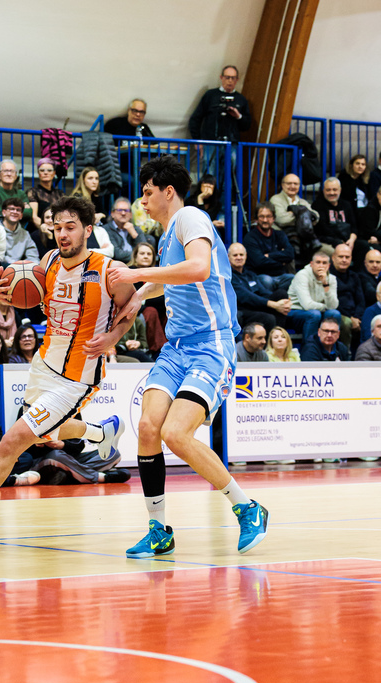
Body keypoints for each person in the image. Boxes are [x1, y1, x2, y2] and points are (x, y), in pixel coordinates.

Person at [0, 195, 136, 550]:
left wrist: (112, 337)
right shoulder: (47, 261)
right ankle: (101, 432)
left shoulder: (109, 269)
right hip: (44, 364)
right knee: (42, 437)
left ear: (88, 230)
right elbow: (24, 295)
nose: (62, 234)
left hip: (77, 375)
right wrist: (3, 295)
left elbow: (131, 307)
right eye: (57, 227)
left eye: (70, 227)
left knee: (11, 443)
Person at [107, 155, 269, 558]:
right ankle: (159, 530)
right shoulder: (166, 237)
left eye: (148, 192)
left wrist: (137, 274)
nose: (142, 200)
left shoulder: (190, 217)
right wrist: (136, 300)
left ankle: (247, 507)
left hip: (210, 346)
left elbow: (197, 268)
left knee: (176, 434)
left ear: (169, 191)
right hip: (176, 349)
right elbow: (172, 281)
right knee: (148, 427)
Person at [188, 66, 251, 179]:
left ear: (237, 80)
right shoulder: (210, 95)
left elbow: (246, 126)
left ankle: (225, 192)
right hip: (210, 143)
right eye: (227, 77)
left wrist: (238, 116)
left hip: (231, 144)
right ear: (221, 78)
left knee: (229, 177)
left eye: (233, 78)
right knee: (209, 175)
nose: (230, 81)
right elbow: (195, 119)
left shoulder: (241, 99)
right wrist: (197, 141)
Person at [228, 242, 291, 335]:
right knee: (269, 318)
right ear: (228, 257)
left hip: (257, 306)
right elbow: (247, 297)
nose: (239, 257)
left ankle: (278, 335)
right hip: (242, 310)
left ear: (246, 256)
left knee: (281, 294)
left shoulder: (250, 274)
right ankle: (272, 340)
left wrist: (282, 302)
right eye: (235, 255)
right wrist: (273, 304)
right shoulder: (228, 276)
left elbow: (263, 292)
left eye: (241, 255)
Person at [288, 251, 342, 340]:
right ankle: (309, 346)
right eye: (318, 262)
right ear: (311, 264)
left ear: (328, 266)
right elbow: (307, 305)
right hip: (297, 311)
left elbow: (333, 306)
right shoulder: (302, 275)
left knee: (334, 314)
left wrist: (325, 284)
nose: (321, 266)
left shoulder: (331, 279)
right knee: (314, 314)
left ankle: (330, 346)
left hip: (318, 312)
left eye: (324, 263)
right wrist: (325, 307)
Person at [269, 173, 321, 263]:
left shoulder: (302, 202)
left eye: (295, 184)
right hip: (282, 237)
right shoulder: (276, 199)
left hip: (302, 238)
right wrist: (303, 215)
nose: (292, 186)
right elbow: (282, 220)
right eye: (289, 183)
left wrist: (294, 213)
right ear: (282, 185)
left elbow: (316, 217)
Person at [242, 203, 295, 289]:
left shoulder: (280, 235)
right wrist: (281, 262)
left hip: (280, 276)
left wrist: (269, 256)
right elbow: (259, 262)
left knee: (293, 279)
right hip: (260, 275)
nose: (265, 220)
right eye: (261, 216)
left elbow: (290, 254)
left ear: (274, 218)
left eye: (268, 216)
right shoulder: (250, 237)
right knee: (267, 281)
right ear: (256, 219)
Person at [128, 242, 166, 357]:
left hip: (159, 310)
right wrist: (152, 299)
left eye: (149, 254)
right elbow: (133, 297)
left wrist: (147, 299)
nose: (146, 256)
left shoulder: (158, 272)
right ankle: (158, 351)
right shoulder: (130, 272)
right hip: (138, 311)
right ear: (135, 256)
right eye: (142, 253)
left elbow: (164, 298)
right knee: (151, 311)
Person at [312, 177, 357, 257]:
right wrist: (341, 242)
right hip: (327, 241)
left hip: (347, 240)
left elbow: (354, 227)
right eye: (328, 190)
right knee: (338, 252)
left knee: (363, 246)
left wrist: (351, 240)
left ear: (340, 190)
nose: (332, 193)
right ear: (323, 191)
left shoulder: (347, 205)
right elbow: (323, 230)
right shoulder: (317, 205)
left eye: (334, 190)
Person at [330, 243, 365, 347]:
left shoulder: (354, 276)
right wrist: (350, 318)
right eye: (341, 257)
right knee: (346, 323)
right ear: (333, 258)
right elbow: (331, 302)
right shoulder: (328, 276)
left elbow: (361, 301)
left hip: (354, 315)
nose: (344, 260)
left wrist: (357, 317)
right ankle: (345, 353)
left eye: (347, 257)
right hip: (337, 313)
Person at [104, 197, 148, 263]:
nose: (123, 213)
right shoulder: (106, 230)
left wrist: (135, 235)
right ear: (112, 214)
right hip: (116, 265)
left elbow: (146, 251)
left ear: (130, 214)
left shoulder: (136, 229)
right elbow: (117, 254)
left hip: (137, 265)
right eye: (119, 210)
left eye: (126, 210)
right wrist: (139, 256)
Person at [27, 159, 64, 229]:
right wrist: (47, 229)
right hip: (39, 230)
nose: (46, 173)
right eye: (42, 170)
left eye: (49, 170)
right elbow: (34, 217)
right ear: (38, 173)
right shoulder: (32, 192)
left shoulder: (60, 194)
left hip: (57, 230)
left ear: (54, 173)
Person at [1, 198, 39, 264]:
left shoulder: (25, 234)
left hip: (20, 267)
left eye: (18, 210)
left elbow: (33, 256)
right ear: (4, 212)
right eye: (11, 209)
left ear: (21, 215)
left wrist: (27, 265)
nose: (15, 212)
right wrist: (17, 265)